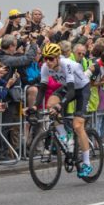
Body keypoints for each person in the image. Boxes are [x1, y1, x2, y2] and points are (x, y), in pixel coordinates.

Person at [32, 43, 94, 178]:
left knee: (78, 125)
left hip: (81, 89)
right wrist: (35, 107)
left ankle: (87, 163)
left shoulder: (67, 65)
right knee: (50, 105)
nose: (47, 61)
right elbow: (42, 89)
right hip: (68, 87)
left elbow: (71, 92)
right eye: (45, 58)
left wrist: (60, 106)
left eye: (51, 59)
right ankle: (65, 138)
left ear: (58, 58)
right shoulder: (44, 67)